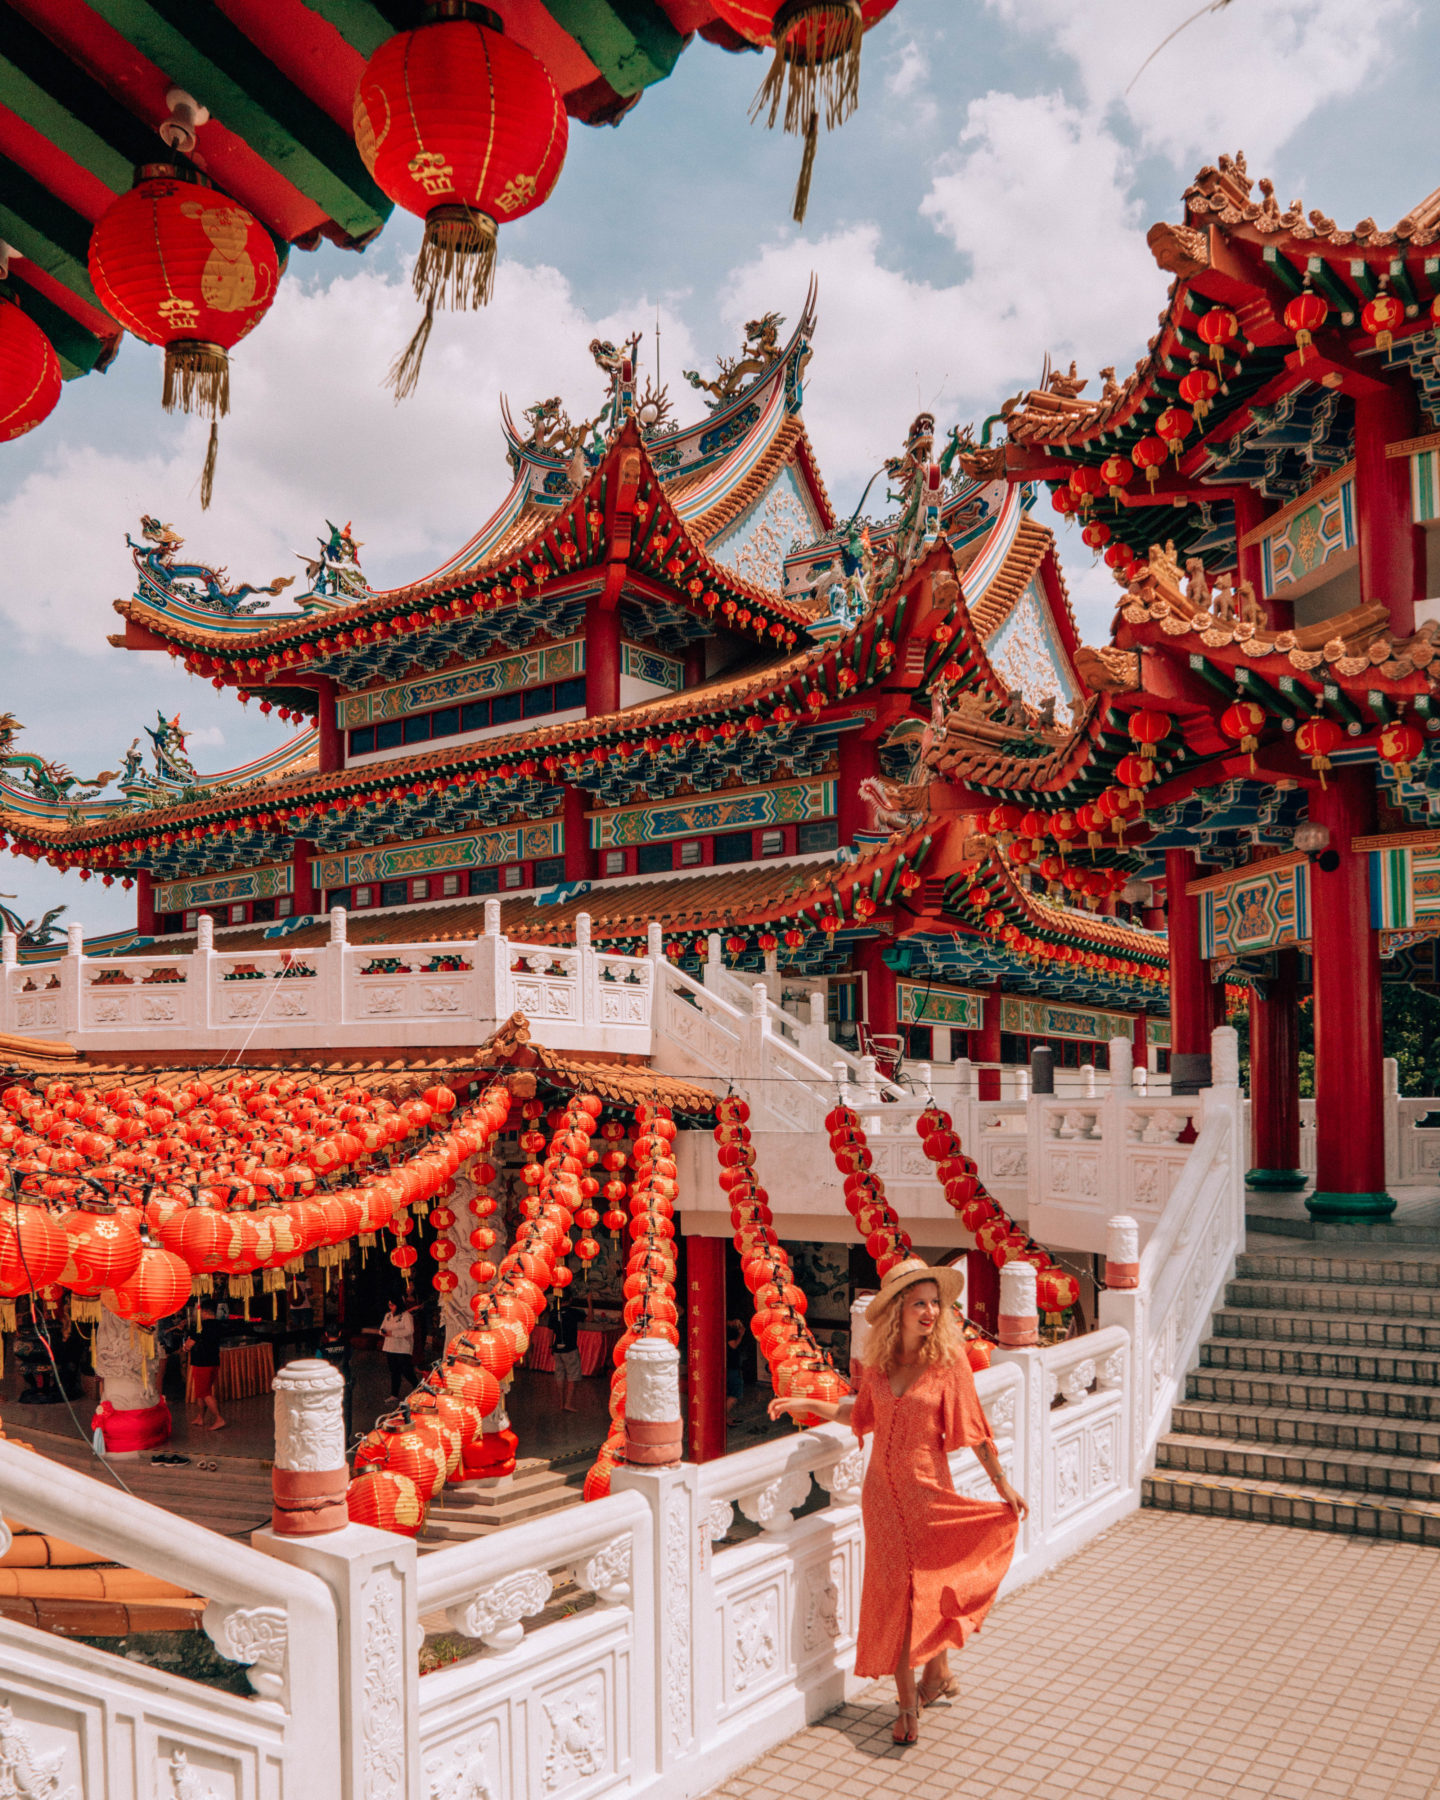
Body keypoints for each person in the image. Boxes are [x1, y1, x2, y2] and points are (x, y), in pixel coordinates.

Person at [769, 1257, 1026, 1746]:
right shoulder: (881, 1366)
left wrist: (1002, 1487)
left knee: (923, 1588)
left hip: (928, 1492)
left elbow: (975, 1432)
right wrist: (804, 1403)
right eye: (919, 1303)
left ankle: (918, 1694)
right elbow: (858, 1411)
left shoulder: (949, 1366)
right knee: (896, 1595)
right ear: (898, 1311)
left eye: (935, 1303)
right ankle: (924, 1688)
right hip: (881, 1500)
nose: (930, 1312)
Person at [184, 1297, 228, 1432]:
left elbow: (188, 1346)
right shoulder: (218, 1324)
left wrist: (186, 1345)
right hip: (214, 1361)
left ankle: (219, 1418)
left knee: (205, 1393)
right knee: (201, 1392)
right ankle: (200, 1417)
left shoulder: (200, 1326)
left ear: (204, 1311)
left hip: (201, 1363)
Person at [552, 1292, 589, 1413]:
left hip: (557, 1349)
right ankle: (568, 1403)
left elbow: (549, 1332)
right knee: (572, 1377)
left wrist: (550, 1346)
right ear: (570, 1299)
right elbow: (590, 1318)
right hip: (570, 1348)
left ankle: (561, 1403)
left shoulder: (554, 1313)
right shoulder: (574, 1312)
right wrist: (590, 1302)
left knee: (560, 1376)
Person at [380, 1295, 419, 1401]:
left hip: (403, 1347)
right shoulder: (388, 1315)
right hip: (390, 1347)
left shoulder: (406, 1316)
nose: (390, 1307)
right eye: (389, 1305)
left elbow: (409, 1331)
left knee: (406, 1370)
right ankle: (394, 1394)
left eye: (392, 1304)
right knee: (394, 1371)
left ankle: (419, 1389)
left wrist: (393, 1333)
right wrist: (383, 1332)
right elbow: (382, 1328)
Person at [725, 1315, 747, 1420]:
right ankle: (724, 1416)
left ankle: (727, 1416)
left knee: (730, 1393)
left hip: (729, 1365)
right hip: (731, 1366)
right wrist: (741, 1335)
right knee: (735, 1393)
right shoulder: (728, 1331)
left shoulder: (725, 1329)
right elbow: (733, 1345)